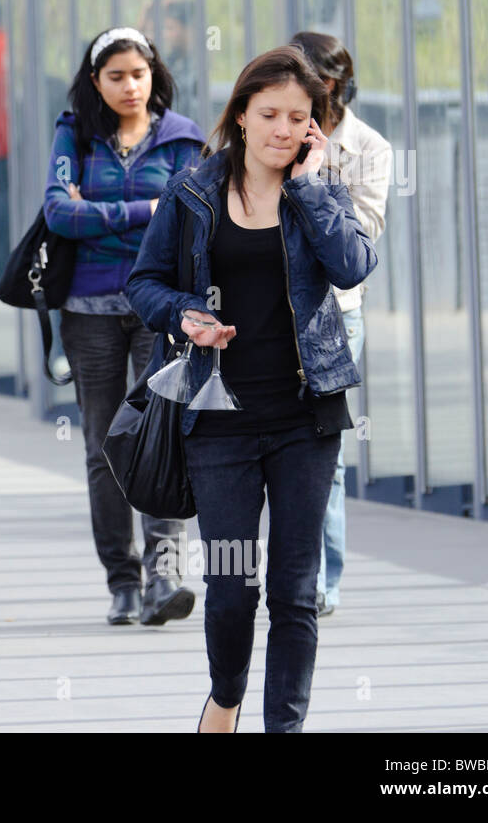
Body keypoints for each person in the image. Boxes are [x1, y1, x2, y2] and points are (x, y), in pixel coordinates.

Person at [126, 45, 377, 732]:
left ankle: (284, 727)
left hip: (306, 419)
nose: (282, 128)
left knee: (295, 594)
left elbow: (353, 266)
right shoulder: (195, 192)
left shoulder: (316, 192)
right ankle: (226, 697)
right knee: (233, 589)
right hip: (219, 421)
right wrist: (184, 315)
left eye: (299, 117)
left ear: (314, 128)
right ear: (241, 115)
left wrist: (315, 184)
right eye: (269, 113)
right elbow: (142, 283)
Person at [43, 26, 205, 628]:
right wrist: (147, 212)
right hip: (88, 315)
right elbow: (59, 212)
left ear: (153, 73)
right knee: (102, 448)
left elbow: (191, 217)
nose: (129, 86)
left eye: (138, 74)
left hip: (158, 311)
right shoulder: (74, 133)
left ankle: (166, 579)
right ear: (96, 82)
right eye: (115, 76)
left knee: (163, 439)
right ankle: (123, 581)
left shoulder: (184, 138)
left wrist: (101, 214)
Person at [290, 31, 390, 619]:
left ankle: (323, 582)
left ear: (331, 83)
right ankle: (285, 572)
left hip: (335, 314)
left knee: (325, 450)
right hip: (269, 309)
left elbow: (361, 239)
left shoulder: (367, 147)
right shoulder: (271, 129)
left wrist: (313, 176)